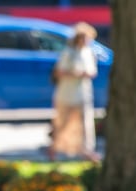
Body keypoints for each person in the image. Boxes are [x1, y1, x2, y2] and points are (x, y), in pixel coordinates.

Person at [48, 22, 99, 162]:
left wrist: (86, 74)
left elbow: (93, 72)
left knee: (85, 123)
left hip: (83, 93)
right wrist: (76, 74)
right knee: (62, 123)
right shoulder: (69, 53)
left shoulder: (88, 52)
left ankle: (87, 151)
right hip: (66, 94)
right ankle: (54, 149)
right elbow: (59, 72)